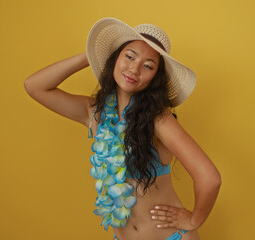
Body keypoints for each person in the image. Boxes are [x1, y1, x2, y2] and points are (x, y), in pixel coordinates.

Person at [24, 17, 221, 240]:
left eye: (148, 66)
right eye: (129, 56)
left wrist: (194, 220)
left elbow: (209, 178)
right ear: (115, 57)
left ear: (154, 77)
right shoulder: (95, 112)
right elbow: (35, 86)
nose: (134, 69)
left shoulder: (159, 121)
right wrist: (91, 56)